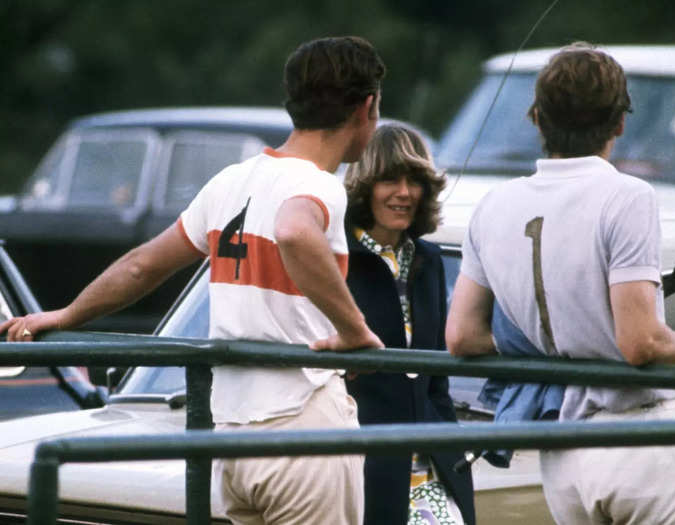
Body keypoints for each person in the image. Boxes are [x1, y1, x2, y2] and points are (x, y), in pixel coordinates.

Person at [1, 36, 386, 525]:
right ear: (367, 106)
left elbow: (142, 265)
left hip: (228, 434)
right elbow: (293, 229)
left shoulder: (230, 181)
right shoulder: (319, 185)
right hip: (302, 424)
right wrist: (355, 330)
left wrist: (66, 314)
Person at [445, 42, 675, 524]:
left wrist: (556, 337)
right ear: (620, 123)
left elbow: (460, 335)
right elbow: (640, 341)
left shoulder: (494, 204)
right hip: (639, 436)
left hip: (562, 448)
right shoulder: (628, 196)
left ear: (536, 118)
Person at [344, 124, 475, 525]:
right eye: (389, 179)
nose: (404, 192)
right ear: (365, 185)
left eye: (415, 180)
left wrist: (453, 455)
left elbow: (437, 381)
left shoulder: (429, 259)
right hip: (361, 464)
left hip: (435, 463)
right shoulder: (336, 257)